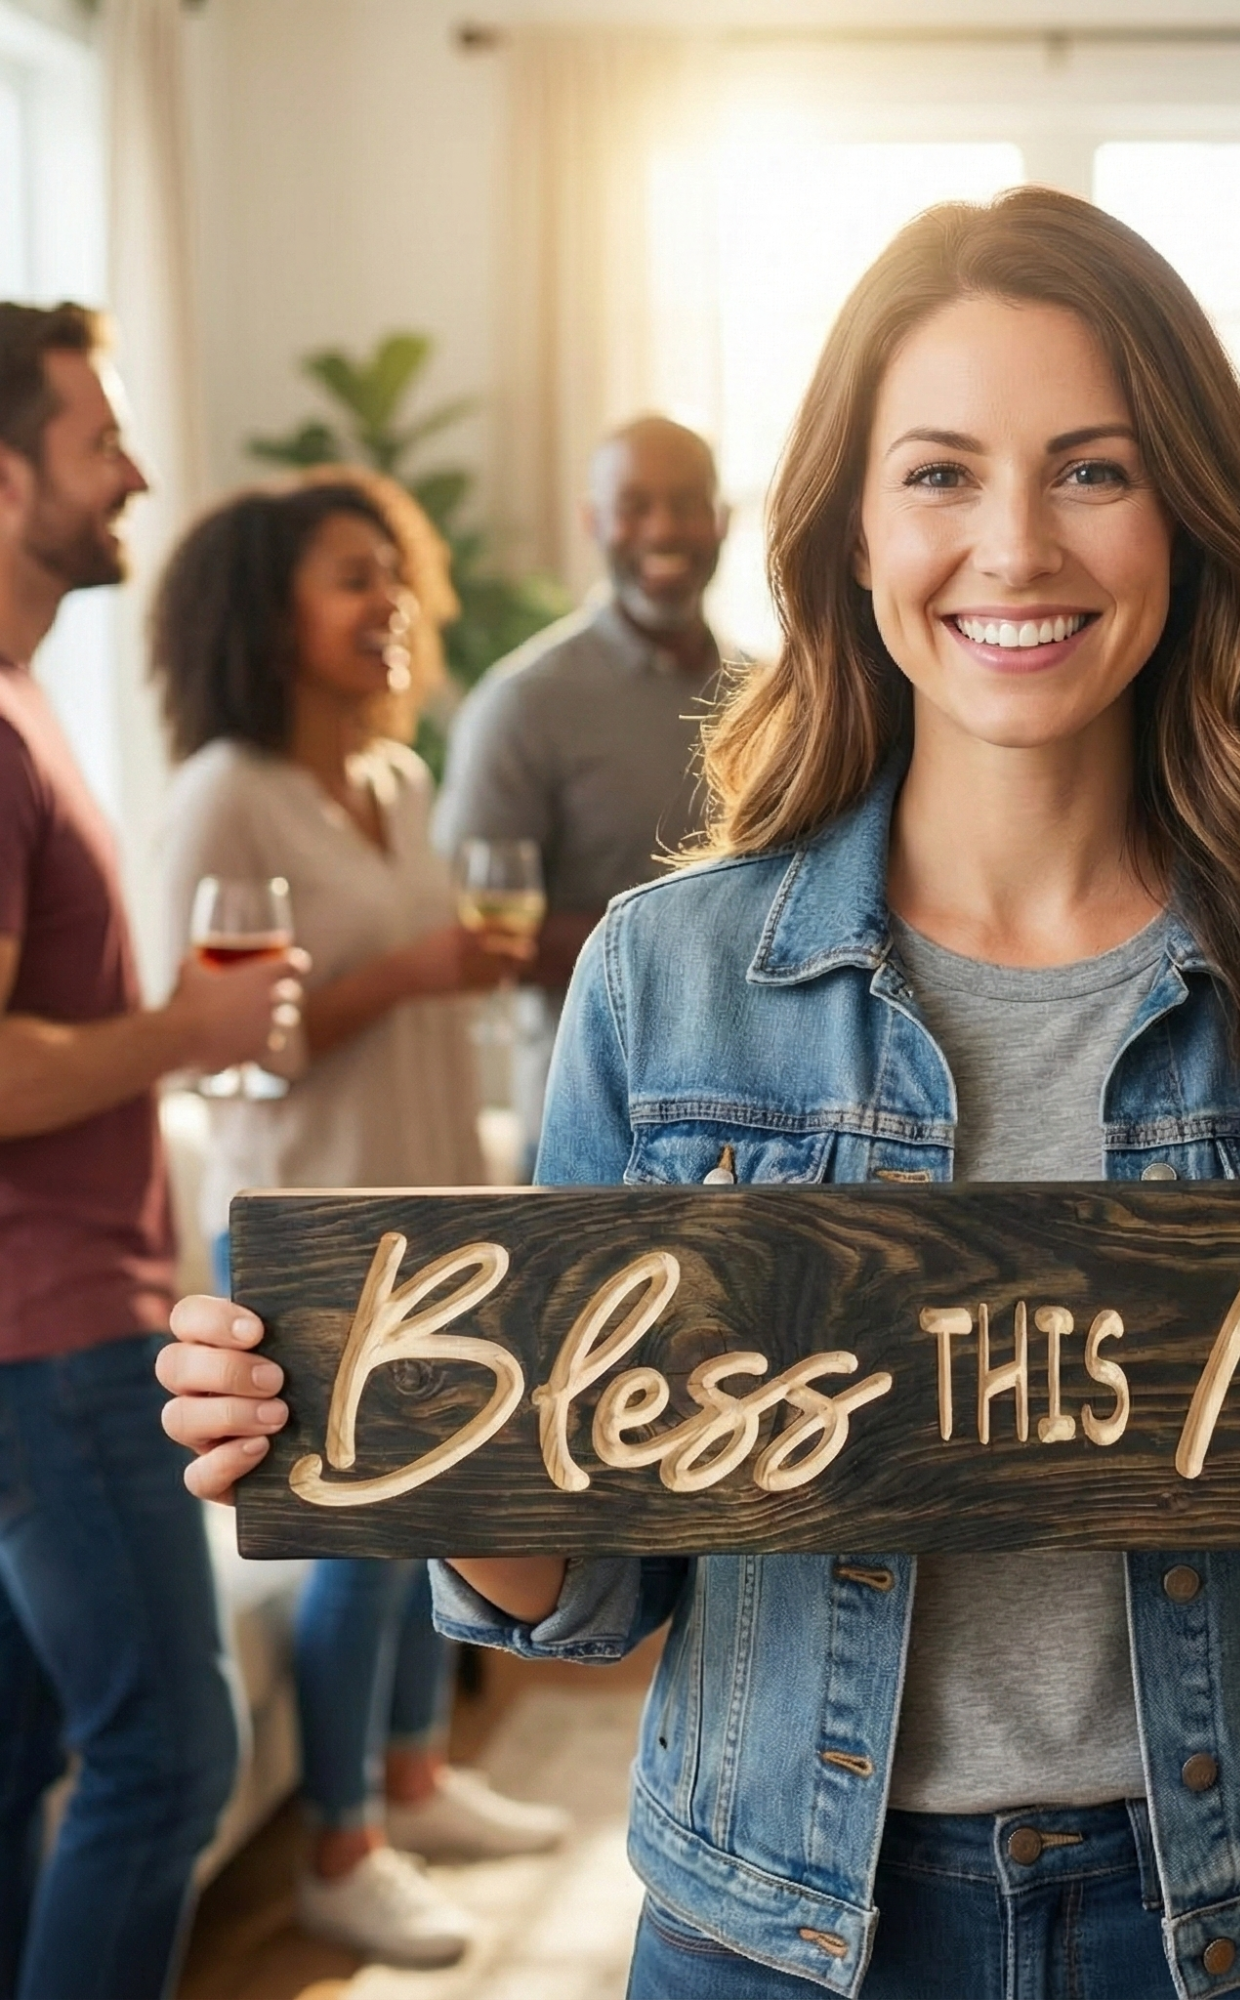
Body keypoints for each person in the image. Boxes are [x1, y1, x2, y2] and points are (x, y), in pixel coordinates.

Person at [157, 191, 1240, 1999]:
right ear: (854, 534)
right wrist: (371, 1433)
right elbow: (590, 1586)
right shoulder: (663, 975)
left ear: (1192, 517)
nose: (1016, 547)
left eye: (1094, 469)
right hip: (773, 1930)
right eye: (944, 474)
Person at [152, 473, 569, 1970]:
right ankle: (343, 1847)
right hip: (304, 1239)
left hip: (427, 1222)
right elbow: (213, 1043)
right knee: (358, 1545)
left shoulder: (393, 782)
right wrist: (411, 974)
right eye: (350, 576)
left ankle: (409, 1774)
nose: (390, 600)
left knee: (431, 1523)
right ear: (270, 611)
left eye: (397, 573)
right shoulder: (224, 791)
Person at [0, 304, 299, 1999]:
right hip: (53, 1335)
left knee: (22, 1763)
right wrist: (188, 1032)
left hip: (43, 1326)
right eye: (99, 441)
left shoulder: (24, 696)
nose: (138, 473)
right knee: (171, 1759)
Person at [433, 415, 739, 1166]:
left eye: (686, 502)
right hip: (593, 1121)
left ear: (723, 520)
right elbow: (478, 934)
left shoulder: (778, 695)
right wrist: (684, 946)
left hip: (767, 1128)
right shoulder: (524, 702)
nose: (663, 527)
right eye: (635, 505)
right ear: (592, 521)